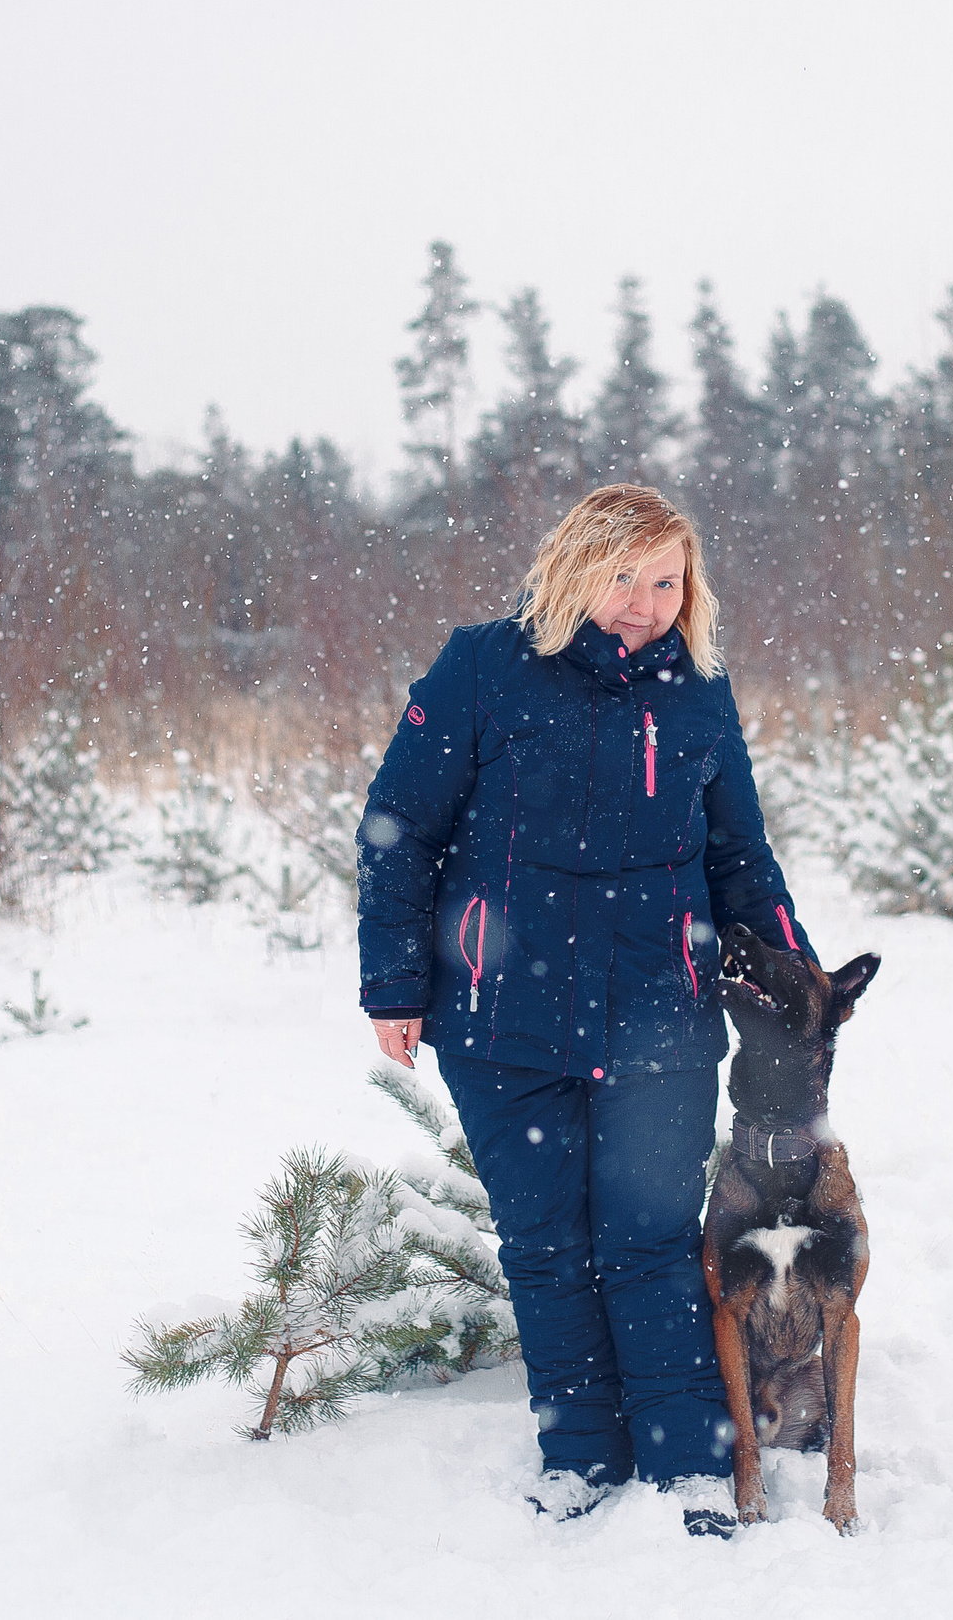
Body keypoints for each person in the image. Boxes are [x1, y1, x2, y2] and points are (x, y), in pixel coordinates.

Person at [355, 483, 817, 1537]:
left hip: (658, 1016)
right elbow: (400, 827)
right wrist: (393, 980)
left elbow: (740, 856)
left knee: (650, 1244)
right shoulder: (483, 666)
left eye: (667, 581)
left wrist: (799, 982)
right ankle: (580, 1462)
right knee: (548, 1246)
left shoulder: (696, 690)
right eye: (624, 576)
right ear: (573, 567)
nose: (645, 602)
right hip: (499, 1013)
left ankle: (689, 1471)